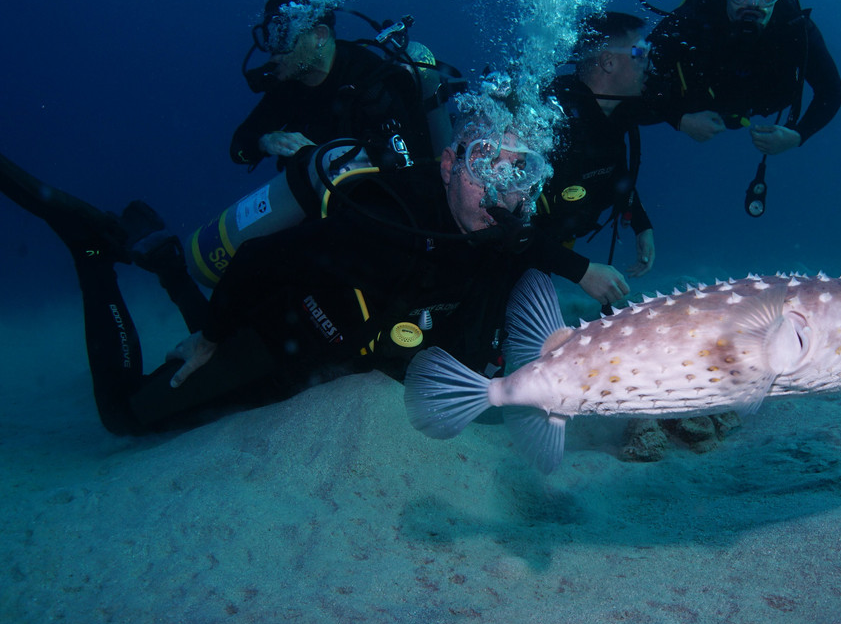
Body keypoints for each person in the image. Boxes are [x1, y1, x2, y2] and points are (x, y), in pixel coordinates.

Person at [0, 115, 550, 436]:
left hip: (329, 368)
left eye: (520, 175)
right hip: (278, 338)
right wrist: (211, 340)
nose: (503, 196)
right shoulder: (385, 220)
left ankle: (168, 263)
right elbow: (258, 260)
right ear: (451, 164)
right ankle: (91, 252)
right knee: (126, 419)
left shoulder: (501, 245)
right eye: (485, 169)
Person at [647, 0, 841, 158]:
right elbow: (639, 65)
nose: (753, 1)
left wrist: (798, 136)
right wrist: (679, 119)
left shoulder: (796, 28)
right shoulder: (691, 18)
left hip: (756, 102)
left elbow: (831, 89)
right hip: (694, 101)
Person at [232, 0, 445, 171]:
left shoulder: (370, 81)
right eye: (271, 36)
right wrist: (266, 141)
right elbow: (239, 147)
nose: (273, 51)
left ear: (320, 36)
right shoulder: (288, 86)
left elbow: (412, 166)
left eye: (284, 37)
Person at [531, 12, 657, 305]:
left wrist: (642, 224)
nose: (650, 66)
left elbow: (615, 176)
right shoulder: (549, 123)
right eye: (639, 53)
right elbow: (498, 224)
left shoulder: (613, 117)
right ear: (608, 61)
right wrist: (581, 271)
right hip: (489, 260)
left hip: (543, 254)